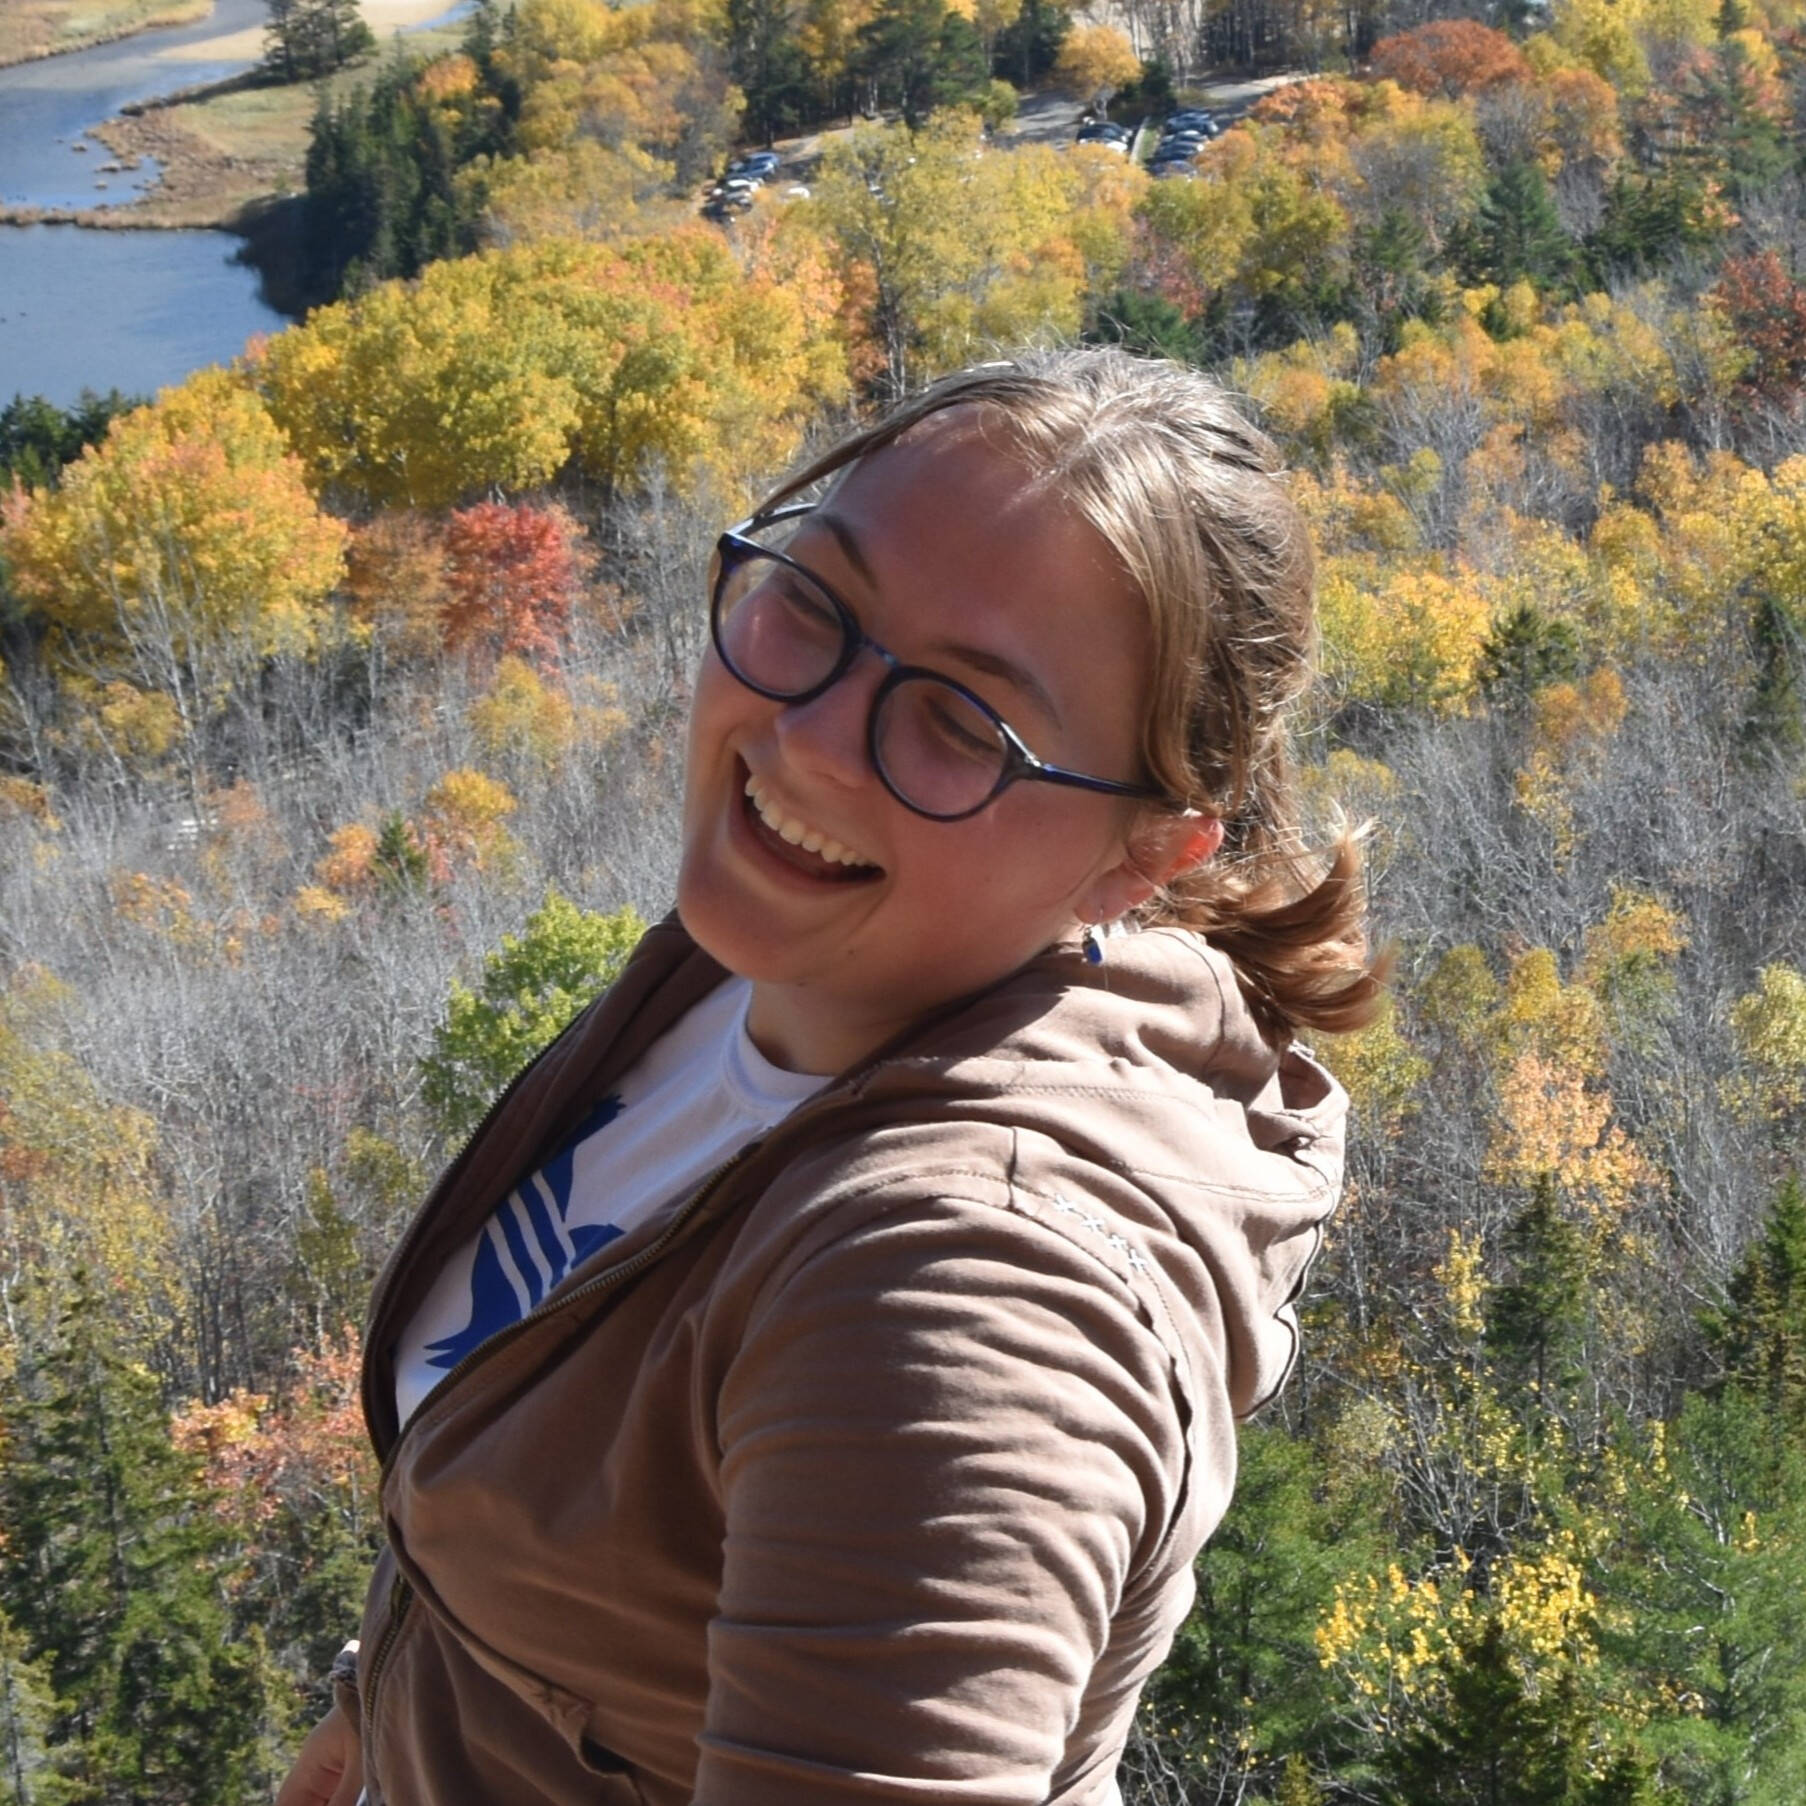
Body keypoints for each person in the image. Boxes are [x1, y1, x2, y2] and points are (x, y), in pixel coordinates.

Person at [278, 346, 1382, 1806]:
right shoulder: (774, 963)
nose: (802, 739)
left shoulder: (959, 1295)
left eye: (956, 723)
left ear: (1145, 854)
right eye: (814, 606)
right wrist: (387, 1706)